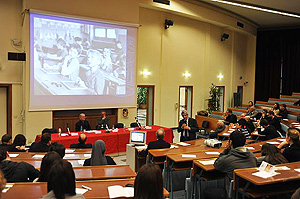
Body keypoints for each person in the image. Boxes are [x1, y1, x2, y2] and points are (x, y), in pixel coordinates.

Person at [211, 131, 256, 198]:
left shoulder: (227, 159)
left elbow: (216, 164)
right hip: (249, 191)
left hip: (232, 193)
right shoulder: (252, 156)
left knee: (207, 191)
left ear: (230, 142)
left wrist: (226, 150)